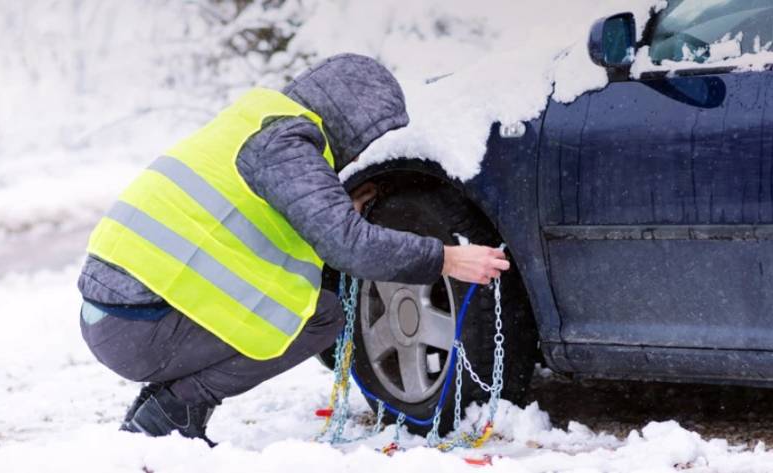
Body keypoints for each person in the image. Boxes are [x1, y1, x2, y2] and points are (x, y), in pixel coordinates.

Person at [76, 53, 509, 445]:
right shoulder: (286, 146)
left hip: (118, 314)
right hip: (135, 328)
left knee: (301, 306)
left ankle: (164, 402)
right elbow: (350, 248)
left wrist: (336, 208)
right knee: (320, 318)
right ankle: (176, 408)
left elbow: (252, 226)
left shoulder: (257, 122)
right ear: (352, 120)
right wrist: (446, 258)